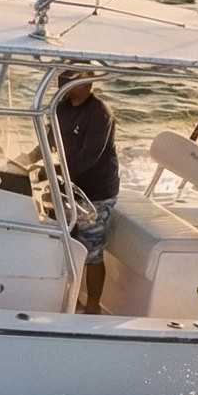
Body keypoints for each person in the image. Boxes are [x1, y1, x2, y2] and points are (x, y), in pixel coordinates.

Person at [51, 67, 119, 313]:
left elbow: (89, 157)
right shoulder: (61, 107)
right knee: (67, 239)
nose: (62, 84)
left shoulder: (100, 114)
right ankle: (68, 295)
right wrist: (30, 159)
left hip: (96, 191)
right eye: (62, 79)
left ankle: (93, 305)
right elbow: (50, 141)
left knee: (92, 249)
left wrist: (56, 174)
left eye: (68, 81)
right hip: (71, 184)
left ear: (87, 85)